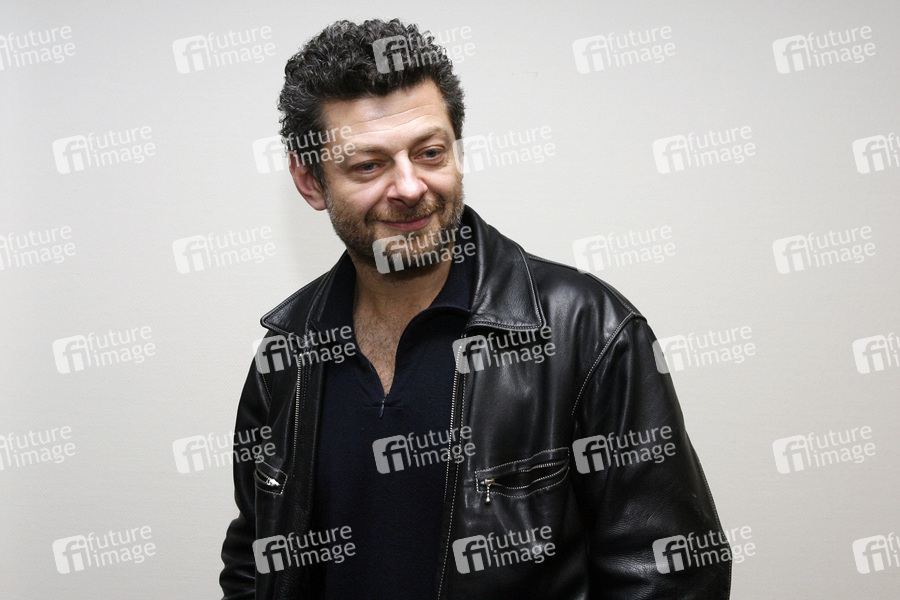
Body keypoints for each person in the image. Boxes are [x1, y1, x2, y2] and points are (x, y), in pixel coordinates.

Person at [220, 18, 731, 600]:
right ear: (310, 182)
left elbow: (671, 575)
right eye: (368, 165)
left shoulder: (587, 331)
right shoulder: (287, 354)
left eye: (429, 153)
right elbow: (255, 556)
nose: (410, 187)